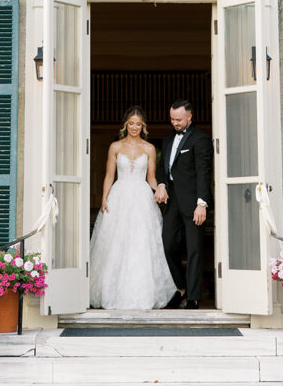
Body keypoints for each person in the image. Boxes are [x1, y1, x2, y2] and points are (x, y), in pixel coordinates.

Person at [89, 106, 178, 310]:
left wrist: (160, 191)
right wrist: (104, 198)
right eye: (132, 123)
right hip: (119, 196)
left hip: (141, 197)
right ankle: (111, 292)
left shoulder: (149, 148)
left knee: (140, 244)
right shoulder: (115, 147)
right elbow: (109, 176)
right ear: (125, 125)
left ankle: (141, 294)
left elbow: (152, 178)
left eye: (139, 124)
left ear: (143, 126)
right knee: (115, 243)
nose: (135, 127)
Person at [154, 99, 213, 309]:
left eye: (178, 119)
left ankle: (194, 298)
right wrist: (160, 184)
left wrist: (202, 204)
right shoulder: (168, 137)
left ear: (190, 116)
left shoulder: (201, 139)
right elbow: (162, 167)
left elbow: (203, 173)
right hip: (172, 203)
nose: (175, 123)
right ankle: (181, 289)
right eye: (171, 119)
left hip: (194, 203)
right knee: (168, 244)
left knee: (194, 249)